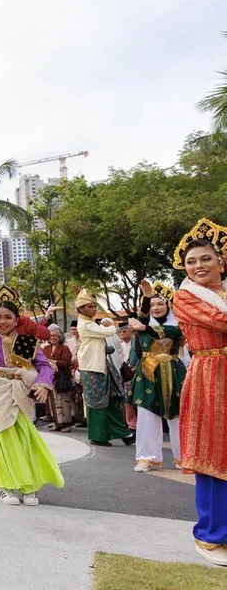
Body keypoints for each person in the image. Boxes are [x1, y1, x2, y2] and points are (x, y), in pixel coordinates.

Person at [0, 287, 64, 506]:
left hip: (20, 392)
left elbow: (44, 366)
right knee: (3, 439)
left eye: (8, 317)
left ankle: (29, 487)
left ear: (17, 320)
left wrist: (43, 385)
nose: (2, 321)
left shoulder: (27, 342)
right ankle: (4, 487)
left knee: (26, 438)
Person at [171, 218, 227, 566]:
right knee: (213, 453)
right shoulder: (186, 297)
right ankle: (210, 535)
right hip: (210, 376)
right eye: (191, 262)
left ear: (221, 261)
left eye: (206, 259)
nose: (198, 266)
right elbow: (221, 321)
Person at [127, 280, 185, 473]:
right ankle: (147, 458)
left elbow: (173, 332)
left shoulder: (177, 324)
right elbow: (142, 316)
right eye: (152, 305)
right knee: (146, 414)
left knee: (178, 416)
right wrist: (146, 297)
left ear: (168, 305)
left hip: (173, 371)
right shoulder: (144, 322)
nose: (156, 308)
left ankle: (184, 458)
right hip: (148, 372)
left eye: (160, 303)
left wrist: (145, 329)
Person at [76, 289, 134, 447]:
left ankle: (123, 433)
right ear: (81, 309)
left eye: (94, 306)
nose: (94, 309)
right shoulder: (86, 324)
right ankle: (99, 436)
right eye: (90, 307)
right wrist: (113, 325)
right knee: (98, 402)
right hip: (92, 367)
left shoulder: (89, 322)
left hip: (102, 365)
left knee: (113, 398)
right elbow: (107, 332)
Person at [44, 325, 75, 432]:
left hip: (62, 378)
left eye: (55, 336)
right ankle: (57, 423)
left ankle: (66, 424)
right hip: (50, 378)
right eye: (50, 336)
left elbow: (66, 363)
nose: (52, 338)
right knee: (53, 402)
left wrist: (54, 362)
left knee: (64, 401)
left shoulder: (64, 348)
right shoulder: (46, 349)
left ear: (60, 337)